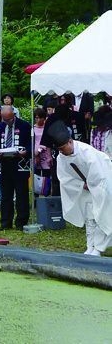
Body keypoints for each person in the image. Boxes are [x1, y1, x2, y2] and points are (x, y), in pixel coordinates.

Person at [48, 120, 112, 256]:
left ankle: (99, 248)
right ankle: (90, 246)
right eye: (59, 149)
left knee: (102, 214)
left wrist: (91, 183)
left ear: (70, 142)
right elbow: (64, 177)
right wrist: (80, 184)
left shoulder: (87, 152)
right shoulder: (61, 157)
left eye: (63, 148)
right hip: (84, 187)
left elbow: (100, 172)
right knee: (90, 217)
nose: (61, 152)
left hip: (103, 183)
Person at [0, 105, 32, 231]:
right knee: (5, 195)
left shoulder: (24, 126)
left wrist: (26, 152)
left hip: (20, 164)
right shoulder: (0, 127)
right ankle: (5, 222)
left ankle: (21, 222)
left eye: (9, 119)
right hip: (4, 164)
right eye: (4, 119)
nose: (7, 122)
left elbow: (30, 143)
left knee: (21, 194)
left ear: (14, 115)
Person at [33, 107, 53, 197]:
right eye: (36, 118)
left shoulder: (47, 128)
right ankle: (35, 197)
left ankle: (46, 196)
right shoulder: (32, 129)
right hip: (35, 154)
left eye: (40, 117)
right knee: (36, 176)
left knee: (46, 176)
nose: (38, 120)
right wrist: (36, 154)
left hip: (45, 154)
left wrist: (41, 150)